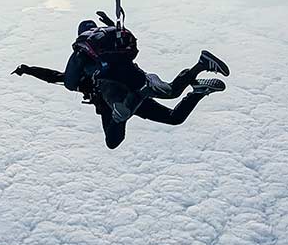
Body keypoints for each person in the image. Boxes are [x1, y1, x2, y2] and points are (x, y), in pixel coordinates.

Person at [12, 19, 229, 149]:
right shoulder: (112, 45)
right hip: (135, 78)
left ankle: (124, 108)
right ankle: (200, 72)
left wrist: (28, 69)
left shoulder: (86, 66)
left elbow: (54, 76)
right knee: (173, 108)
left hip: (113, 95)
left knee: (113, 140)